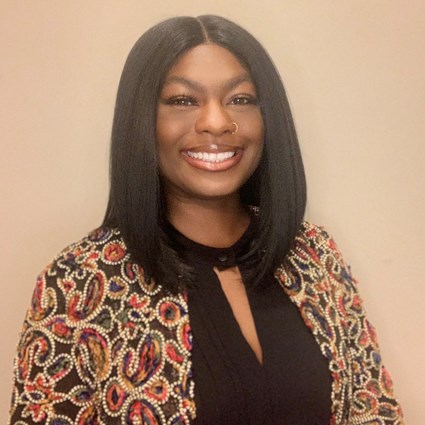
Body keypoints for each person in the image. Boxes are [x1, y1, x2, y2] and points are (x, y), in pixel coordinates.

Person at [8, 15, 403, 425]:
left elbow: (374, 409)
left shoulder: (313, 253)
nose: (215, 121)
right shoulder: (78, 283)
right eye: (183, 100)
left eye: (240, 99)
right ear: (142, 119)